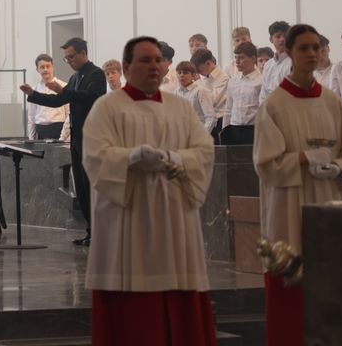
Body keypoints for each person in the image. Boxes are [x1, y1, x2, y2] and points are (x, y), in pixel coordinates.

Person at [84, 36, 217, 346]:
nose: (155, 66)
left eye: (158, 60)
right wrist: (131, 157)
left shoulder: (179, 108)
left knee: (179, 299)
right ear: (127, 67)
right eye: (145, 60)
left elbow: (204, 151)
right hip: (129, 221)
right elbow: (95, 156)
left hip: (174, 219)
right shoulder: (107, 108)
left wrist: (174, 159)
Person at [254, 23, 342, 346]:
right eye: (303, 48)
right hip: (289, 205)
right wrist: (303, 158)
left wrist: (338, 166)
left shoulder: (334, 103)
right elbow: (266, 164)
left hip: (331, 199)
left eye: (316, 47)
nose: (312, 54)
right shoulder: (274, 105)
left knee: (333, 287)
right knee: (292, 292)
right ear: (288, 52)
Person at [20, 37, 106, 246]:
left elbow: (92, 97)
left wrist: (64, 91)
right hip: (77, 139)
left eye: (71, 57)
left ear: (83, 53)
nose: (69, 61)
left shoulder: (96, 74)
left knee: (91, 186)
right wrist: (34, 95)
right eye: (66, 58)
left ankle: (101, 233)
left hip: (93, 137)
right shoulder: (75, 77)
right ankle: (90, 229)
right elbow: (59, 100)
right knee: (82, 190)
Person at [221, 42, 263, 145]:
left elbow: (263, 109)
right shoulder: (233, 81)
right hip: (234, 128)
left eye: (241, 58)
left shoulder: (262, 81)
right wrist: (224, 130)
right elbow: (228, 109)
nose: (237, 61)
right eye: (236, 58)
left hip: (254, 129)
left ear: (253, 59)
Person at [26, 54, 68, 140]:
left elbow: (68, 114)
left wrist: (63, 138)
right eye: (42, 67)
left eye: (48, 66)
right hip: (41, 131)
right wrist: (31, 139)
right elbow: (31, 117)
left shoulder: (63, 86)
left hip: (58, 129)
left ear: (53, 67)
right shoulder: (34, 90)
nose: (45, 69)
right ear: (37, 69)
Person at [191, 48, 229, 139]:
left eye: (199, 70)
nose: (198, 73)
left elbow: (212, 101)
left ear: (208, 63)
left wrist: (198, 82)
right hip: (203, 121)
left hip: (219, 122)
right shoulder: (202, 77)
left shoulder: (224, 78)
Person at [174, 61, 217, 132]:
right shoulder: (175, 92)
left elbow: (211, 117)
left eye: (185, 73)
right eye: (179, 73)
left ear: (193, 75)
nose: (181, 75)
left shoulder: (201, 91)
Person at [258, 21, 292, 106]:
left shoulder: (296, 62)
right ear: (271, 39)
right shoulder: (268, 65)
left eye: (285, 36)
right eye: (278, 36)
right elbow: (264, 94)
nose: (282, 39)